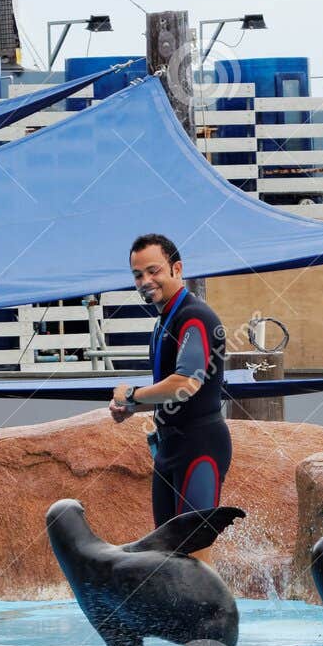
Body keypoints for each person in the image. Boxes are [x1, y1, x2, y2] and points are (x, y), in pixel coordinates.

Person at [111, 233, 231, 566]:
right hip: (171, 448)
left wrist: (132, 394)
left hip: (199, 447)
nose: (145, 281)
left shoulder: (195, 317)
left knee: (194, 552)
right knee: (167, 554)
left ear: (176, 268)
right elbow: (168, 395)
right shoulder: (164, 323)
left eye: (153, 271)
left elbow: (186, 384)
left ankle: (209, 617)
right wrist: (130, 407)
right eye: (138, 275)